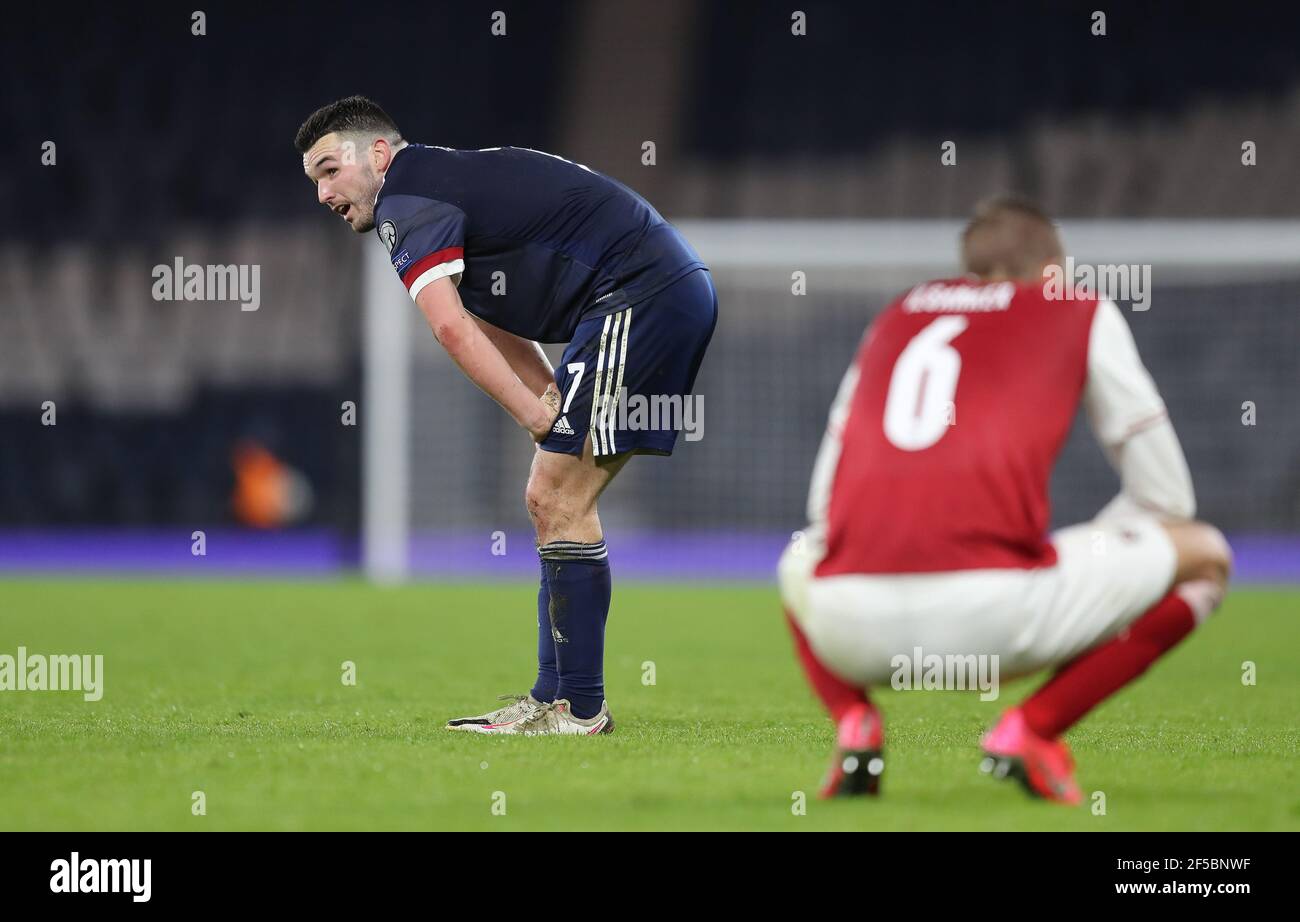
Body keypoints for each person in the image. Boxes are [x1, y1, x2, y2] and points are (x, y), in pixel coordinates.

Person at [778, 197, 1231, 801]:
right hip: (994, 623)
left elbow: (823, 510)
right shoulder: (1075, 307)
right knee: (1204, 554)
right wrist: (1105, 542)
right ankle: (1031, 729)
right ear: (1051, 273)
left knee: (798, 553)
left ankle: (854, 722)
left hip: (850, 633)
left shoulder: (896, 314)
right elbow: (1168, 498)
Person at [297, 96, 717, 735]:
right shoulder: (439, 184)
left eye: (330, 170)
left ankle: (577, 709)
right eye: (314, 181)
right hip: (648, 291)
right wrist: (547, 393)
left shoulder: (407, 202)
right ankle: (555, 700)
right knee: (553, 499)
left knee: (556, 495)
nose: (324, 194)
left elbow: (449, 329)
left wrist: (535, 416)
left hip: (639, 293)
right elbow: (485, 314)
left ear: (378, 154)